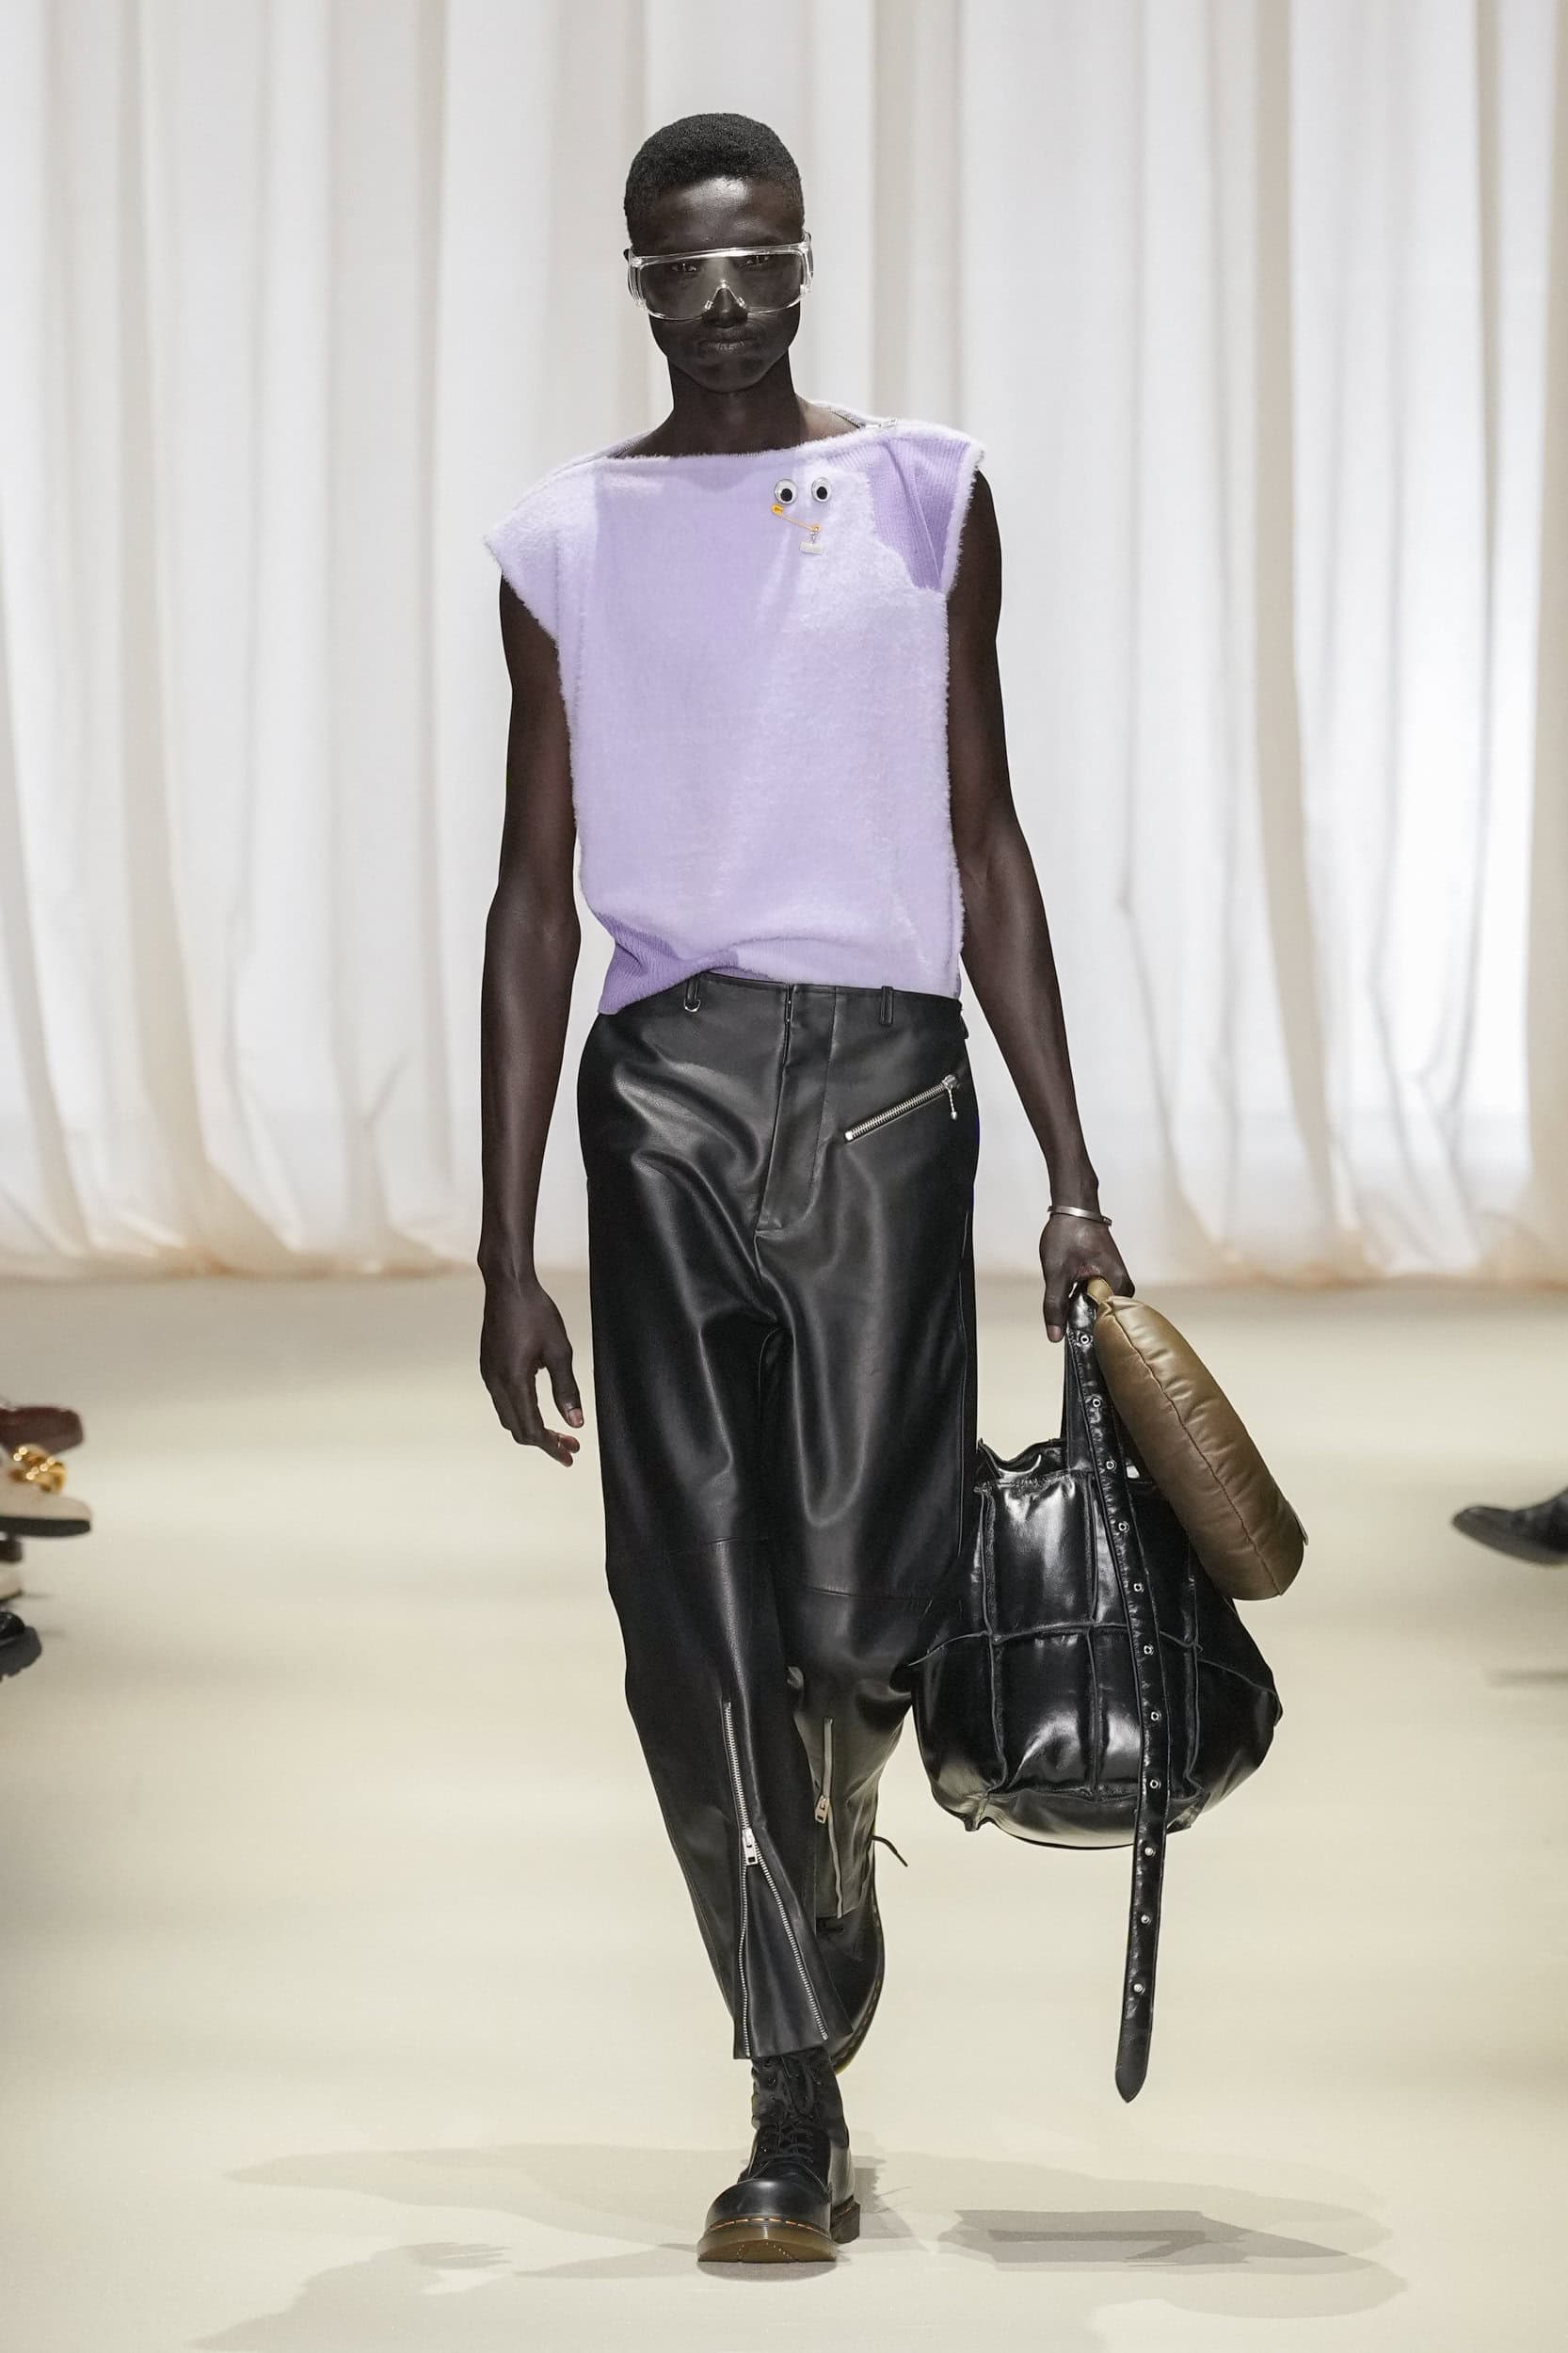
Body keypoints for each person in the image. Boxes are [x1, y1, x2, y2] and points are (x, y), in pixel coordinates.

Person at [478, 111, 1131, 2266]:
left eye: (759, 259)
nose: (727, 301)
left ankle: (828, 1874)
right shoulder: (561, 537)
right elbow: (531, 895)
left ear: (805, 258)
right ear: (636, 280)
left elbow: (983, 835)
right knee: (696, 1606)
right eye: (686, 268)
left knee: (859, 1606)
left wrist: (1072, 1171)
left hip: (882, 1095)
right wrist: (500, 1245)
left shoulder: (925, 491)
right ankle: (787, 2081)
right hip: (662, 1096)